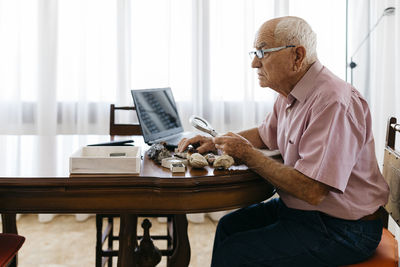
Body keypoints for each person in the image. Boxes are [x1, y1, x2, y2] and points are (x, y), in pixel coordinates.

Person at [178, 16, 389, 267]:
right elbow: (266, 134)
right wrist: (216, 141)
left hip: (345, 228)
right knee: (227, 227)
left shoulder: (333, 102)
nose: (254, 62)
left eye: (262, 52)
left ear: (297, 56)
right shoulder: (290, 92)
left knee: (237, 252)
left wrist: (246, 154)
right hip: (307, 213)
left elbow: (312, 190)